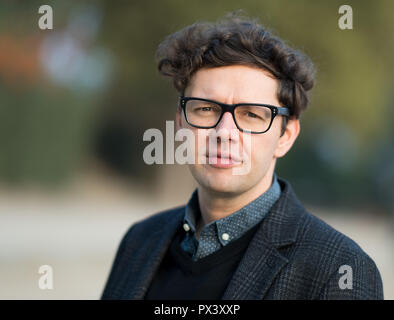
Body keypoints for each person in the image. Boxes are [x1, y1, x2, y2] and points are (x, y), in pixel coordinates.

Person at [101, 12, 383, 300]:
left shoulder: (339, 270)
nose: (224, 132)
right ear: (181, 122)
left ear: (286, 135)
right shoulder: (139, 241)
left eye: (250, 115)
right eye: (206, 109)